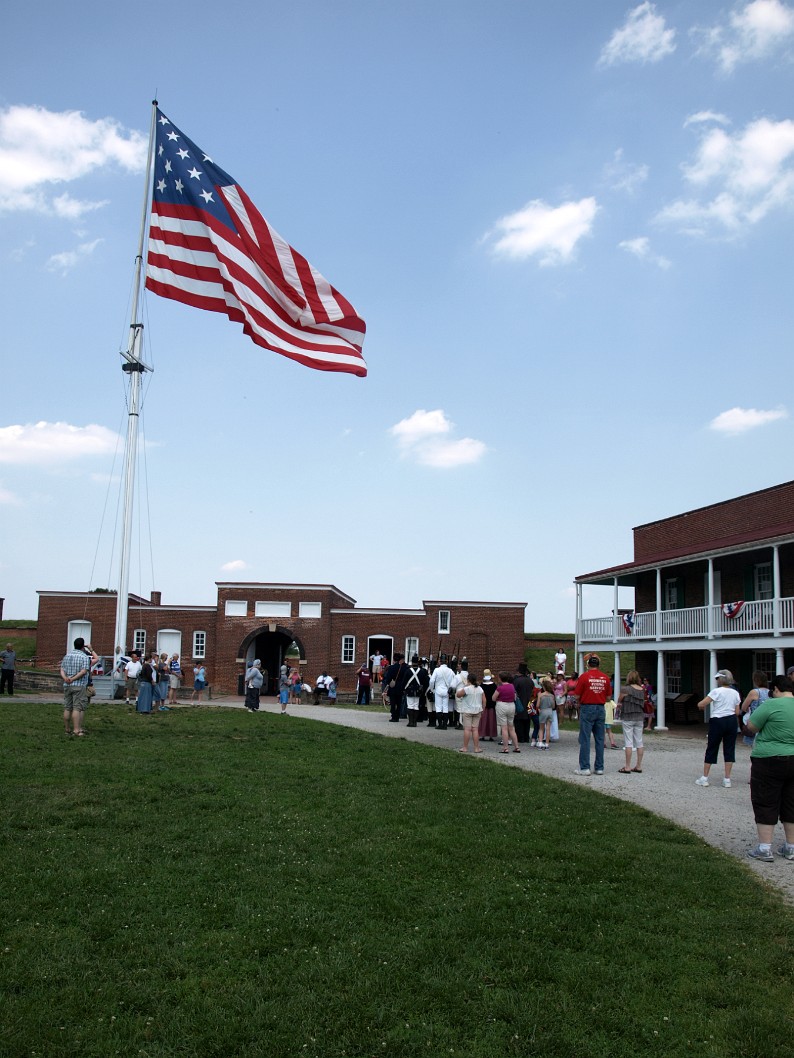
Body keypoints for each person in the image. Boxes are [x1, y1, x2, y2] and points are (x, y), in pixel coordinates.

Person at [746, 674, 794, 862]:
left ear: (775, 689)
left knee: (765, 800)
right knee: (791, 802)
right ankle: (791, 847)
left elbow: (752, 726)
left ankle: (765, 848)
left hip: (769, 758)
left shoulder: (770, 705)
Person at [695, 669, 740, 788]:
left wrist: (701, 707)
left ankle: (705, 778)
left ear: (721, 679)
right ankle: (727, 779)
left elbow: (701, 704)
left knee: (712, 747)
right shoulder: (735, 693)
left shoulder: (716, 691)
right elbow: (737, 711)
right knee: (729, 748)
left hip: (718, 720)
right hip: (731, 721)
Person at [572, 654, 612, 776]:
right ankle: (599, 767)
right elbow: (609, 697)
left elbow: (577, 695)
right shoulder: (605, 678)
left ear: (588, 665)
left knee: (585, 738)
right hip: (600, 708)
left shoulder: (584, 677)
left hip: (587, 707)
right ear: (598, 665)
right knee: (600, 739)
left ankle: (584, 767)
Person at [59, 637, 99, 737]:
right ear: (82, 646)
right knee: (77, 708)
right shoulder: (84, 657)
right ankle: (76, 730)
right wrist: (73, 679)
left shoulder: (67, 656)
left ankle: (67, 729)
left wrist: (66, 678)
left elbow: (62, 670)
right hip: (79, 685)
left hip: (67, 685)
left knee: (67, 708)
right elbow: (83, 671)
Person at [617, 670, 646, 773]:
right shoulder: (642, 690)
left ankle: (627, 766)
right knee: (639, 741)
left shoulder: (625, 689)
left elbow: (619, 701)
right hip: (639, 717)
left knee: (628, 742)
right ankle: (638, 766)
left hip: (628, 716)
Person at [456, 671, 484, 753]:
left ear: (468, 680)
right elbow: (484, 700)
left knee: (467, 729)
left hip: (467, 710)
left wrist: (465, 686)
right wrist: (483, 709)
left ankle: (465, 747)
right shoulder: (480, 688)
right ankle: (476, 748)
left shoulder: (466, 689)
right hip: (477, 710)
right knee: (475, 729)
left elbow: (458, 695)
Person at [741, 671, 770, 747]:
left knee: (755, 745)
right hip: (767, 721)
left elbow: (743, 707)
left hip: (756, 721)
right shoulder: (770, 692)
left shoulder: (754, 692)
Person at [494, 671, 520, 754]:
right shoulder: (512, 686)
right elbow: (515, 696)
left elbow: (493, 698)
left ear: (501, 678)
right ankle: (516, 747)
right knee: (511, 727)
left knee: (504, 728)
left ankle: (505, 748)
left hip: (502, 705)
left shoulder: (500, 688)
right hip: (511, 705)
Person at [428, 654, 457, 730]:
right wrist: (451, 687)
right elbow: (455, 680)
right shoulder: (450, 671)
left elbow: (432, 681)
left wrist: (432, 689)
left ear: (440, 661)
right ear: (446, 662)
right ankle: (445, 725)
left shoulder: (437, 670)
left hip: (438, 690)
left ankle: (440, 724)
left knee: (438, 708)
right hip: (446, 691)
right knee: (445, 708)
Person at [383, 653, 409, 723]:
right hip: (401, 687)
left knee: (393, 702)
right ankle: (397, 716)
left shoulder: (391, 667)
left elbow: (388, 679)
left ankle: (393, 716)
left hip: (393, 688)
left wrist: (389, 683)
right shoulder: (405, 668)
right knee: (399, 703)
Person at [403, 655, 428, 728]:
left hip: (410, 690)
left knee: (410, 706)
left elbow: (404, 681)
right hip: (418, 691)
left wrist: (404, 689)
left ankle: (411, 722)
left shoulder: (408, 671)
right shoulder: (422, 671)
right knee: (416, 706)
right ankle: (415, 722)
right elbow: (424, 682)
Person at [478, 669, 498, 742]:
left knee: (483, 720)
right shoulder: (494, 685)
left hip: (484, 705)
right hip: (492, 705)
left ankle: (483, 734)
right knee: (491, 720)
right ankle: (491, 735)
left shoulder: (481, 686)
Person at [536, 678, 556, 749]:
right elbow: (553, 706)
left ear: (544, 687)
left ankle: (540, 742)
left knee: (541, 728)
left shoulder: (541, 695)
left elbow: (537, 705)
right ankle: (547, 744)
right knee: (548, 728)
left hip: (543, 711)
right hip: (550, 711)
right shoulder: (552, 696)